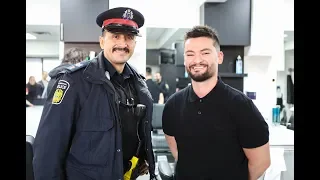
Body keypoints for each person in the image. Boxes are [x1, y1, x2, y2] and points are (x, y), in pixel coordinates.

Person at [33, 7, 157, 180]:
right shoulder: (74, 81)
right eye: (115, 36)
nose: (122, 43)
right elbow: (48, 149)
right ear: (101, 41)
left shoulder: (137, 82)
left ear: (134, 43)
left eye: (129, 37)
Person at [162, 25, 270, 180]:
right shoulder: (172, 106)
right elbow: (178, 153)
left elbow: (261, 162)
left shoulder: (241, 106)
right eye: (190, 54)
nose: (197, 60)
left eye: (205, 53)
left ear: (219, 57)